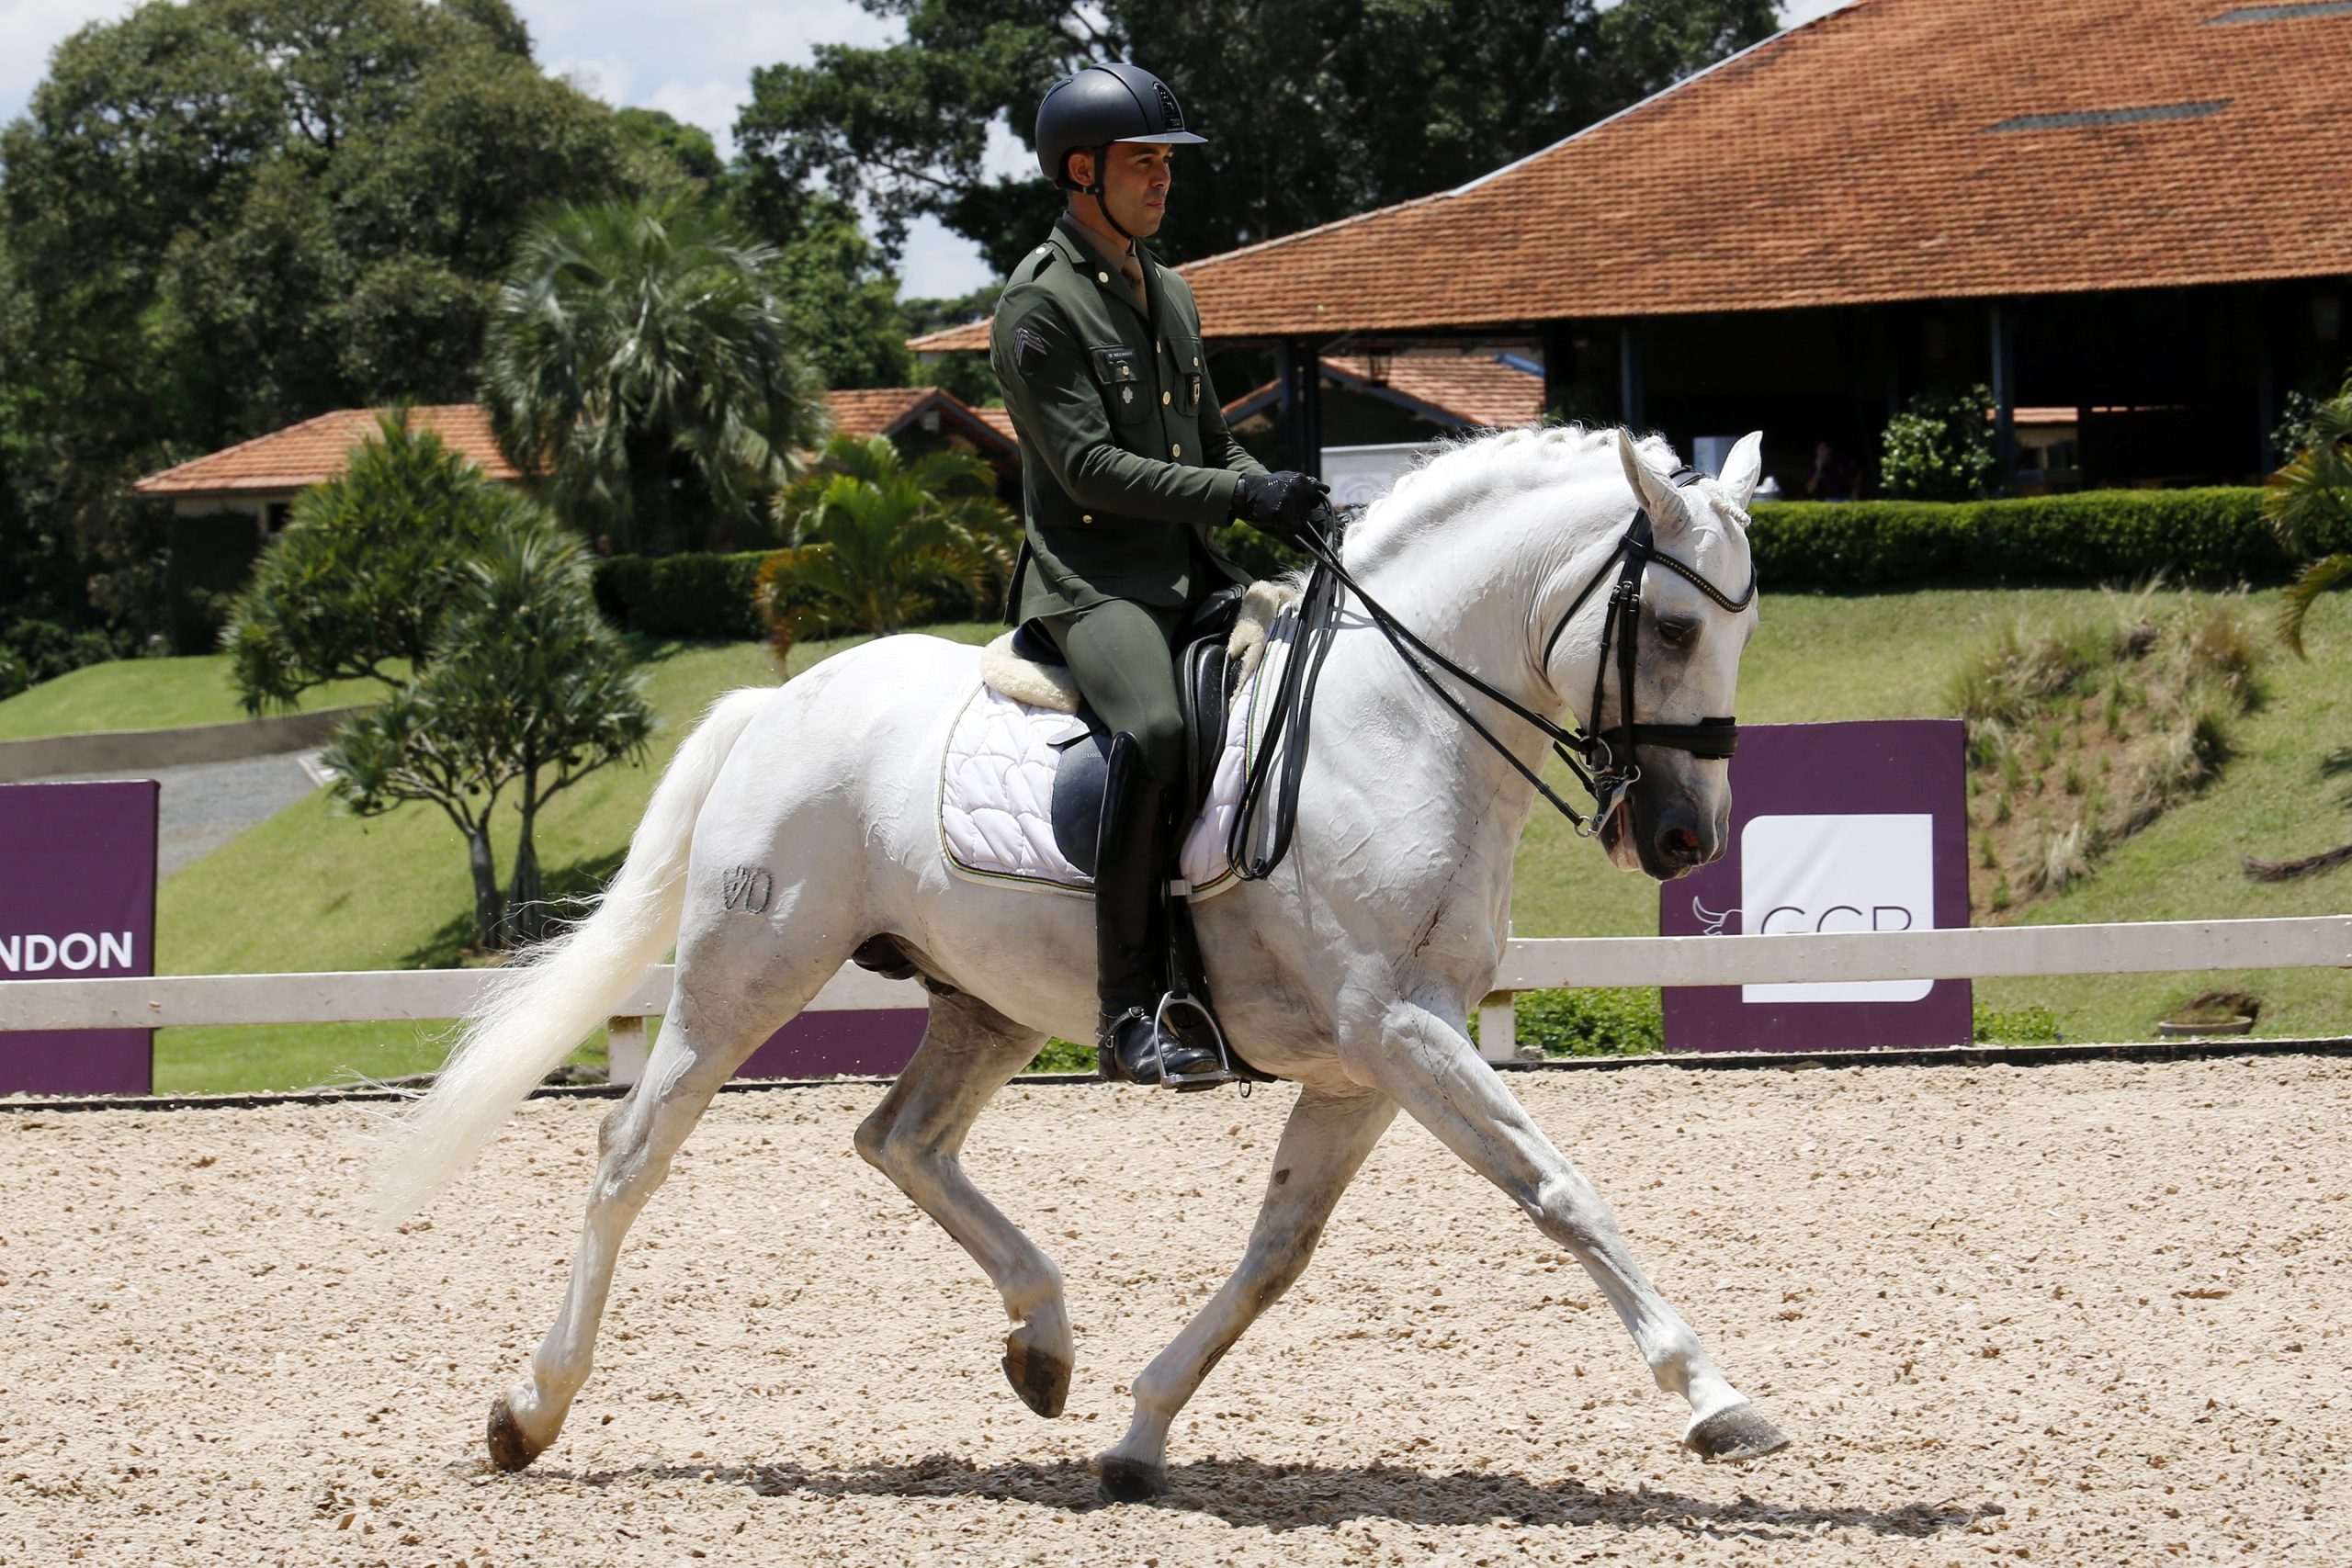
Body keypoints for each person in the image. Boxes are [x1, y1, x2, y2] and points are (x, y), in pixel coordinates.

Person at [989, 62, 1328, 1088]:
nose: (1163, 180)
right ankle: (1128, 1010)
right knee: (1160, 730)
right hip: (1095, 582)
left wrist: (1277, 493)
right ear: (1081, 171)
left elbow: (1212, 444)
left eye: (1167, 164)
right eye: (1144, 163)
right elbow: (1088, 469)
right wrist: (1235, 498)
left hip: (1192, 568)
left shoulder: (1170, 289)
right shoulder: (1036, 310)